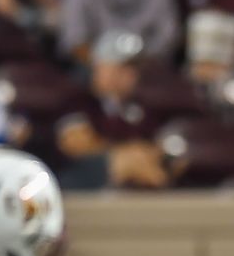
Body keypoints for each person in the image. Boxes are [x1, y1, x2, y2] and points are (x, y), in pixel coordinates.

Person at [54, 33, 169, 190]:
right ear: (99, 68)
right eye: (120, 67)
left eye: (133, 68)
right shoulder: (78, 100)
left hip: (132, 185)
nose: (130, 74)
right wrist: (125, 154)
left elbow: (156, 146)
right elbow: (76, 145)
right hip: (83, 181)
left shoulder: (141, 105)